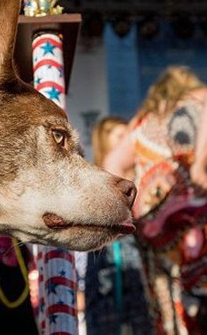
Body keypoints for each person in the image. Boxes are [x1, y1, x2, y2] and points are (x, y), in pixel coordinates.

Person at [105, 66, 207, 335]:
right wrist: (201, 165)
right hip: (204, 231)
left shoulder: (142, 122)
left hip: (157, 237)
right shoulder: (195, 100)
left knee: (169, 313)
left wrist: (132, 215)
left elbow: (113, 163)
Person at [84, 116, 153, 335]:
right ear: (104, 141)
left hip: (140, 269)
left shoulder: (144, 175)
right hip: (106, 269)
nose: (128, 142)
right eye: (121, 136)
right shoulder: (94, 180)